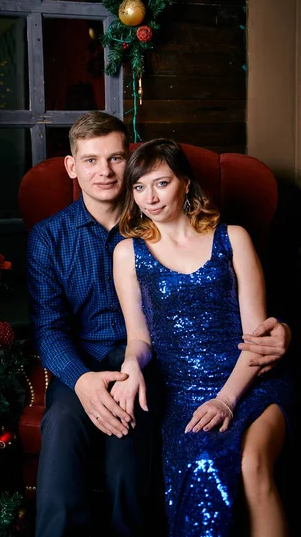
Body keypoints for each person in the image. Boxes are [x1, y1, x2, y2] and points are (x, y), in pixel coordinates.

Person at [26, 112, 291, 537]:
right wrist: (82, 381)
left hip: (160, 366)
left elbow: (239, 306)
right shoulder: (51, 237)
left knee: (131, 453)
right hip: (93, 361)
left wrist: (284, 329)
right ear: (73, 168)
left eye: (115, 159)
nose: (105, 171)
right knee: (61, 425)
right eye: (91, 160)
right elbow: (49, 328)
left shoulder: (184, 232)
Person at [112, 137, 293, 537]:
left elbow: (258, 339)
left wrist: (226, 400)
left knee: (252, 465)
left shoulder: (234, 239)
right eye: (139, 187)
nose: (150, 198)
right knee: (203, 462)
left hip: (251, 383)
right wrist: (130, 364)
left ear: (185, 183)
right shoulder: (128, 253)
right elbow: (139, 338)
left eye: (161, 183)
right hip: (185, 397)